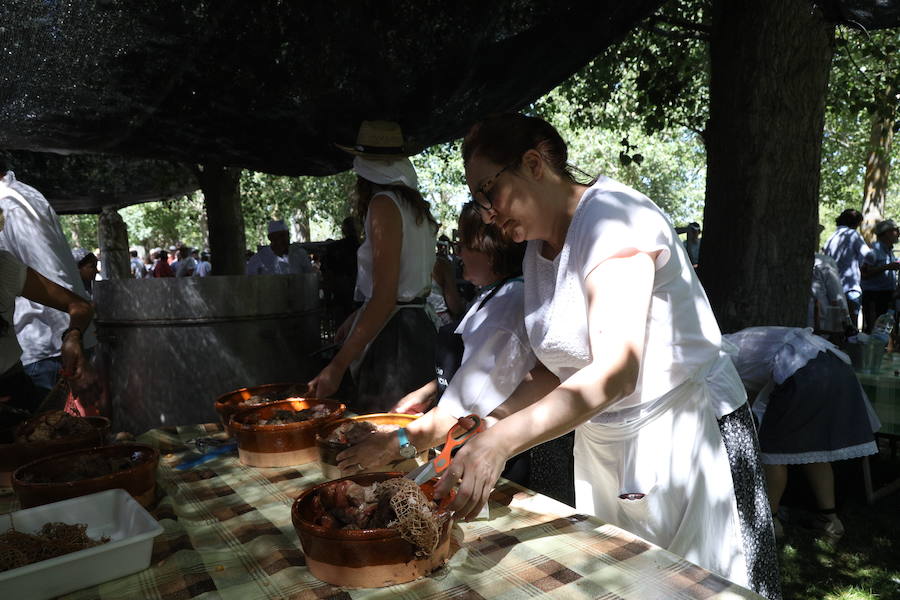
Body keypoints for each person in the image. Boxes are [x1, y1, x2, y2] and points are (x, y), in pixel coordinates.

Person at [436, 114, 779, 597]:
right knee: (624, 585)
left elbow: (615, 372)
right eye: (478, 200)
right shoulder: (539, 250)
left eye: (488, 192)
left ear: (533, 164)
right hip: (608, 445)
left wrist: (503, 442)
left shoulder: (614, 219)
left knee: (700, 588)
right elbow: (561, 370)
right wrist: (493, 424)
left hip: (683, 438)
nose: (487, 213)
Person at [335, 203, 541, 488]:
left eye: (464, 244)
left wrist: (392, 444)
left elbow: (457, 416)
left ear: (489, 249)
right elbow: (480, 370)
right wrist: (430, 391)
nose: (458, 253)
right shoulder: (492, 296)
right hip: (457, 446)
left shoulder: (506, 309)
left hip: (490, 468)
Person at [308, 120, 438, 414]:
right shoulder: (414, 206)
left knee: (385, 437)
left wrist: (337, 366)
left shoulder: (383, 204)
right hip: (417, 330)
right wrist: (357, 316)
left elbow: (385, 298)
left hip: (395, 341)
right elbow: (400, 286)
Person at [723, 327, 880, 539]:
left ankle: (769, 522)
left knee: (772, 451)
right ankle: (830, 519)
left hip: (801, 371)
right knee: (813, 447)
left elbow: (740, 402)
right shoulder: (738, 341)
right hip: (833, 365)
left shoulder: (722, 357)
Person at [0, 169, 99, 398]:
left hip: (48, 353)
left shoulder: (13, 205)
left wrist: (71, 340)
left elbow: (52, 274)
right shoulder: (16, 198)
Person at [823, 209, 870, 328]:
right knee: (852, 327)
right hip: (850, 288)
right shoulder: (852, 234)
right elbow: (868, 256)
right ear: (855, 223)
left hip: (833, 289)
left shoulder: (830, 238)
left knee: (837, 327)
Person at [860, 219, 899, 333]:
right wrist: (886, 267)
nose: (898, 233)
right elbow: (864, 273)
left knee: (884, 331)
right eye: (896, 230)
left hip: (887, 295)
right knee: (873, 330)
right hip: (874, 297)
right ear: (887, 233)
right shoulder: (874, 251)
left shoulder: (889, 250)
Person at [246, 220, 315, 275]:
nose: (285, 239)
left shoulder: (300, 254)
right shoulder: (259, 259)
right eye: (281, 236)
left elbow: (310, 276)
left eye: (287, 235)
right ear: (270, 238)